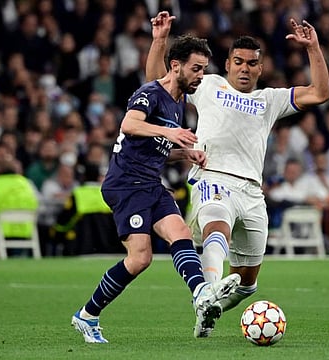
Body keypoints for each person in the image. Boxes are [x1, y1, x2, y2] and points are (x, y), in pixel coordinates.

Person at [146, 11, 329, 333]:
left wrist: (313, 48)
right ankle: (207, 291)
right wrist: (160, 41)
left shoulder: (270, 99)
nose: (245, 68)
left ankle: (208, 311)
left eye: (252, 63)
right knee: (217, 226)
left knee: (247, 285)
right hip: (212, 175)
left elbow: (320, 93)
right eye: (239, 61)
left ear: (261, 68)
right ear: (228, 64)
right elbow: (159, 85)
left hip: (252, 191)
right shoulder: (208, 85)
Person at [71, 33, 241, 344]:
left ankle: (201, 293)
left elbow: (158, 144)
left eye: (204, 69)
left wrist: (184, 153)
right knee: (140, 259)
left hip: (150, 182)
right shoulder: (149, 93)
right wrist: (170, 131)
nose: (201, 76)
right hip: (126, 184)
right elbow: (129, 125)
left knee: (182, 234)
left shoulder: (180, 101)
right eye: (196, 69)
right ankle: (87, 315)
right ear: (176, 66)